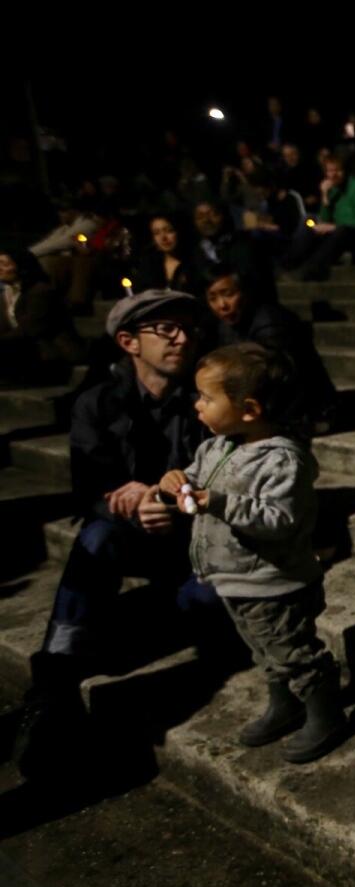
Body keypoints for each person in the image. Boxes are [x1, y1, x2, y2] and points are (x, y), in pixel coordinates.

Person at [11, 290, 212, 778]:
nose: (181, 339)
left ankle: (129, 623)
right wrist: (130, 504)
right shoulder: (96, 403)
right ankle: (53, 690)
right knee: (96, 539)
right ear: (129, 341)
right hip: (129, 536)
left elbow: (225, 475)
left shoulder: (206, 398)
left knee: (204, 607)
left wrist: (168, 502)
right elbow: (91, 489)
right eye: (166, 330)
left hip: (192, 537)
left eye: (187, 328)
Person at [157, 343, 342, 764]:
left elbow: (279, 520)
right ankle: (285, 703)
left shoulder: (281, 460)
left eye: (207, 397)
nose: (197, 404)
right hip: (234, 578)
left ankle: (324, 708)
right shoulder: (217, 446)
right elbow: (197, 479)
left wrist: (216, 502)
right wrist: (177, 480)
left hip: (274, 582)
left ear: (249, 408)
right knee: (263, 650)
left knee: (293, 650)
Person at [205, 266, 338, 432]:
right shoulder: (226, 325)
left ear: (245, 292)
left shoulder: (270, 322)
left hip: (306, 411)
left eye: (229, 294)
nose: (222, 305)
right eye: (213, 298)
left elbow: (281, 379)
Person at [0, 246, 85, 386]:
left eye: (5, 264)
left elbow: (31, 329)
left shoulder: (41, 292)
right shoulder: (6, 293)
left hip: (49, 350)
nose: (0, 268)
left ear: (22, 267)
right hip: (22, 347)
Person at [283, 156, 355, 282]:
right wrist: (325, 197)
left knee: (341, 232)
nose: (333, 175)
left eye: (337, 171)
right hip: (336, 230)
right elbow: (324, 219)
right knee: (308, 220)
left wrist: (334, 227)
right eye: (330, 171)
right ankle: (288, 264)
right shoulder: (331, 189)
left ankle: (311, 270)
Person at [193, 200, 277, 304]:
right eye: (200, 217)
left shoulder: (246, 245)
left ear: (225, 215)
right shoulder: (196, 253)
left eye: (213, 214)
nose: (206, 220)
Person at [131, 214, 201, 296]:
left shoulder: (195, 262)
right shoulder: (149, 264)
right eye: (156, 233)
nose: (163, 237)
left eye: (169, 231)